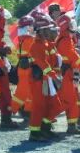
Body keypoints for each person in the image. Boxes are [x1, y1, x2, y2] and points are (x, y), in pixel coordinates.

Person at [27, 12, 64, 142]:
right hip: (39, 80)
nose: (50, 31)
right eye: (47, 29)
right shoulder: (37, 45)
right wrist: (54, 77)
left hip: (45, 80)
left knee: (53, 105)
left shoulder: (45, 43)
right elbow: (43, 63)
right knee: (39, 106)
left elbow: (52, 59)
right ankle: (35, 133)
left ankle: (45, 128)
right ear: (41, 31)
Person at [55, 12, 80, 134]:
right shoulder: (65, 40)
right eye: (71, 24)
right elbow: (72, 56)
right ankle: (47, 120)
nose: (73, 27)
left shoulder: (66, 39)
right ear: (65, 27)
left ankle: (74, 124)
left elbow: (72, 54)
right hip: (66, 74)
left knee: (74, 99)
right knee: (69, 100)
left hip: (69, 73)